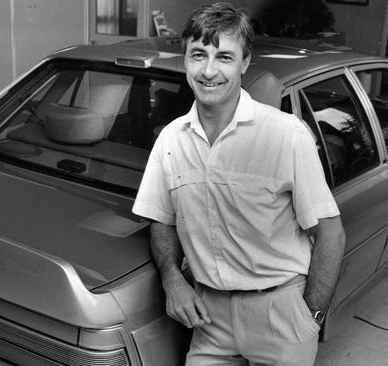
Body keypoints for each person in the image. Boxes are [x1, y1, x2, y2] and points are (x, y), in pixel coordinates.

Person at [132, 2, 346, 365]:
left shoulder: (286, 135)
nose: (209, 71)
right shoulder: (170, 141)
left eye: (225, 57)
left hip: (279, 313)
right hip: (209, 318)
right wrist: (173, 278)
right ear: (185, 60)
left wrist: (311, 317)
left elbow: (330, 232)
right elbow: (162, 219)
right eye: (198, 55)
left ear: (245, 63)